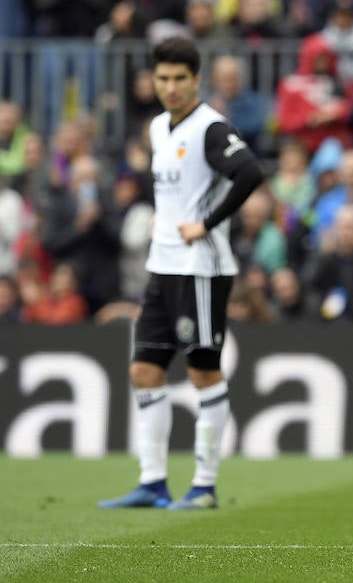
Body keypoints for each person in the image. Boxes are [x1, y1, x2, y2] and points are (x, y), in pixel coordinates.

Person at [98, 37, 264, 510]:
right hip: (162, 264)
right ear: (153, 79)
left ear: (196, 80)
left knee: (202, 370)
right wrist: (164, 217)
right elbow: (178, 188)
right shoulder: (157, 128)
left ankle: (204, 485)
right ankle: (152, 482)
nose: (170, 87)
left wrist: (206, 224)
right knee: (145, 370)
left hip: (201, 268)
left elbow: (250, 173)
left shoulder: (210, 128)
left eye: (179, 79)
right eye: (163, 78)